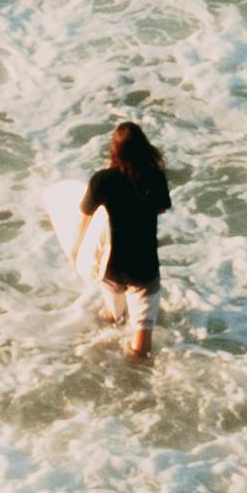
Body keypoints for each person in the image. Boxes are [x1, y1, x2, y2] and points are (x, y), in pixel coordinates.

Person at [76, 120, 170, 358]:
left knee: (113, 316)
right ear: (144, 147)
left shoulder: (102, 180)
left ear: (114, 150)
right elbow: (161, 209)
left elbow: (85, 215)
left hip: (110, 265)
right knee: (141, 341)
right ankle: (135, 382)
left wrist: (78, 249)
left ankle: (102, 358)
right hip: (143, 266)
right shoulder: (155, 178)